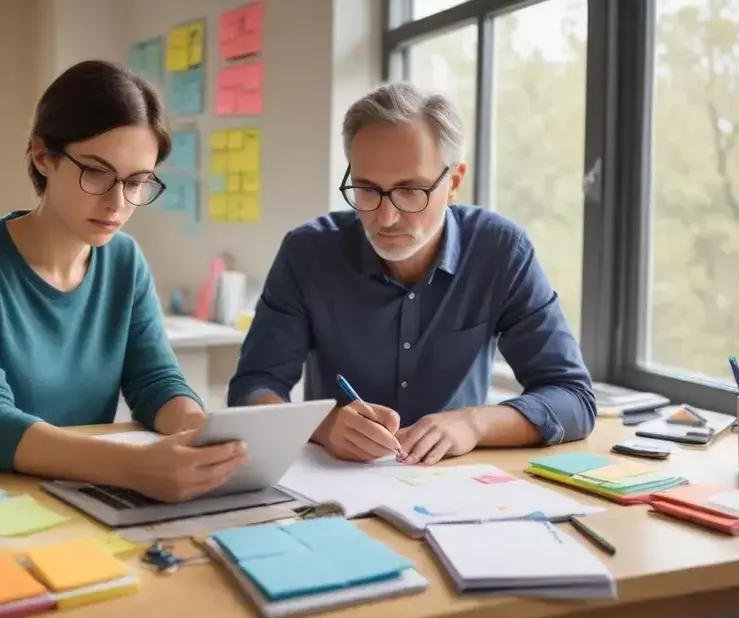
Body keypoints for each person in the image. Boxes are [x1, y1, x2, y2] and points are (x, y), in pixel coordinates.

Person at [0, 61, 247, 502]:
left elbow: (155, 381)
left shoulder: (124, 260)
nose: (118, 203)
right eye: (97, 172)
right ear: (43, 156)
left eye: (137, 182)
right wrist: (135, 467)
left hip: (64, 492)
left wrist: (198, 433)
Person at [228, 83, 594, 465]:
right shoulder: (307, 253)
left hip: (455, 486)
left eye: (410, 191)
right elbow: (254, 387)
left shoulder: (501, 250)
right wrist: (322, 425)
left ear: (453, 183)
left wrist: (473, 424)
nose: (386, 218)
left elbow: (573, 397)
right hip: (338, 483)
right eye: (367, 190)